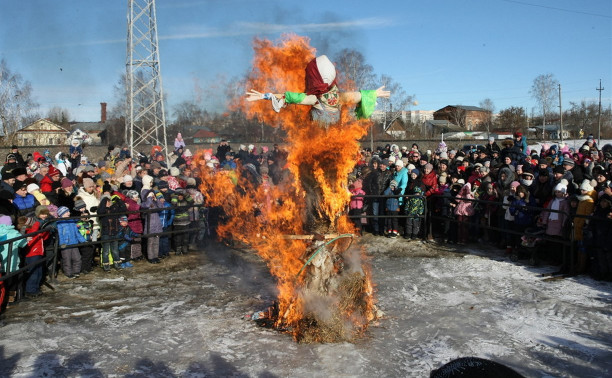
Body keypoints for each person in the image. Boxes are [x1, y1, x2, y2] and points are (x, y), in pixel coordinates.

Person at [246, 55, 390, 125]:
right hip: (333, 142)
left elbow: (289, 97)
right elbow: (359, 96)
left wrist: (266, 96)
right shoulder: (339, 97)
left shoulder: (315, 98)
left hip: (318, 144)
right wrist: (374, 94)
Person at [56, 206, 86, 278]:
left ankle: (76, 271)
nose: (69, 213)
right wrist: (62, 243)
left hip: (74, 243)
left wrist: (83, 240)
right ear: (62, 214)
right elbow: (60, 235)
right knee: (67, 259)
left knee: (77, 258)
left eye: (68, 211)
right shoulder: (59, 223)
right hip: (66, 244)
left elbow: (77, 233)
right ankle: (68, 273)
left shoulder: (72, 221)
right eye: (66, 212)